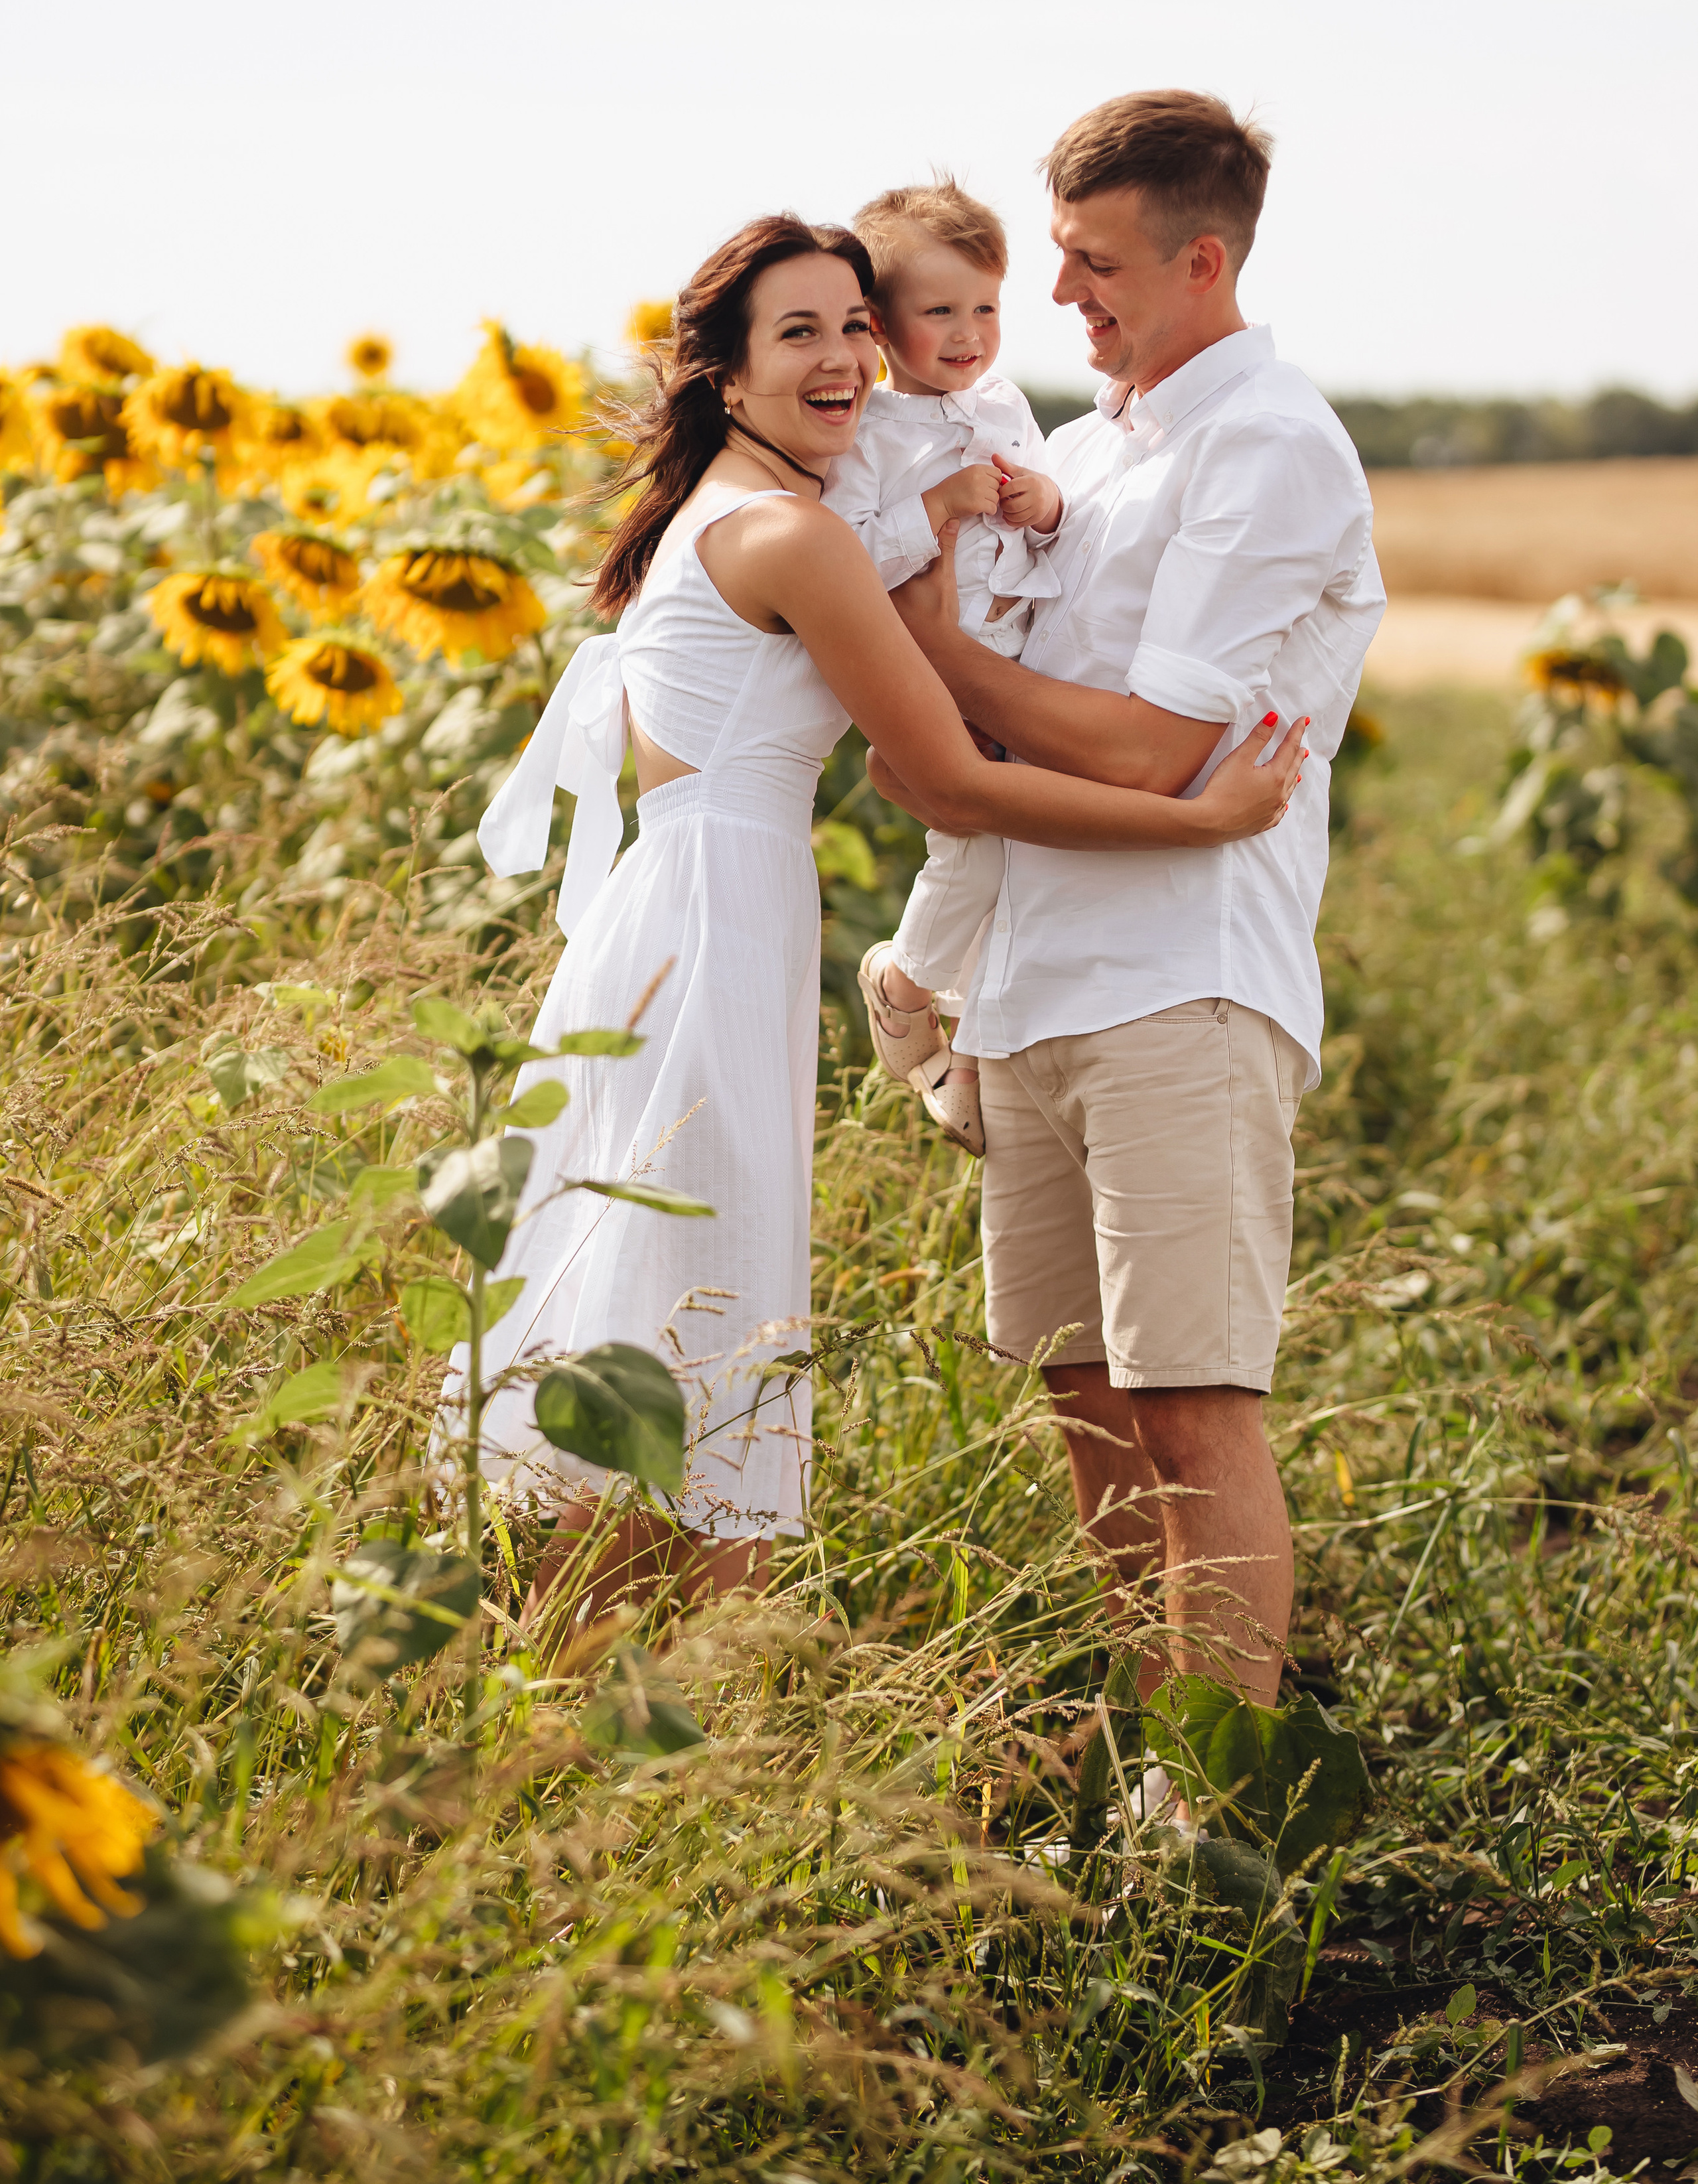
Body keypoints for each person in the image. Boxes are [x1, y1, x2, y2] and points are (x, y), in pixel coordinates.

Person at [468, 207, 1309, 1622]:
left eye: (857, 323)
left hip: (684, 914)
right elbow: (948, 785)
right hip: (712, 931)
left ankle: (613, 1691)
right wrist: (1194, 819)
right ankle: (643, 1692)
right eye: (798, 332)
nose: (847, 356)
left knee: (655, 1298)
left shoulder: (741, 514)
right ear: (723, 376)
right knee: (701, 1300)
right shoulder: (792, 536)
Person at [874, 91, 1386, 1710]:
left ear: (1201, 258)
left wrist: (936, 668)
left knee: (1189, 1407)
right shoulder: (1079, 451)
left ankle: (1216, 1813)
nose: (1058, 297)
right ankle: (1146, 1756)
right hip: (1033, 981)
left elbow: (1163, 755)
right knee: (1087, 1404)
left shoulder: (1272, 446)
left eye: (1091, 264)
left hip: (1181, 983)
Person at [821, 177, 1065, 1158]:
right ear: (878, 327)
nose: (970, 334)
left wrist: (1042, 503)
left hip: (1023, 659)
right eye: (940, 313)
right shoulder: (871, 434)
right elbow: (848, 560)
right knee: (976, 842)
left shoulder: (1004, 403)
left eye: (987, 308)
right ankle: (905, 983)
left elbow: (1064, 532)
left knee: (1028, 864)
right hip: (926, 671)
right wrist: (947, 505)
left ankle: (971, 1052)